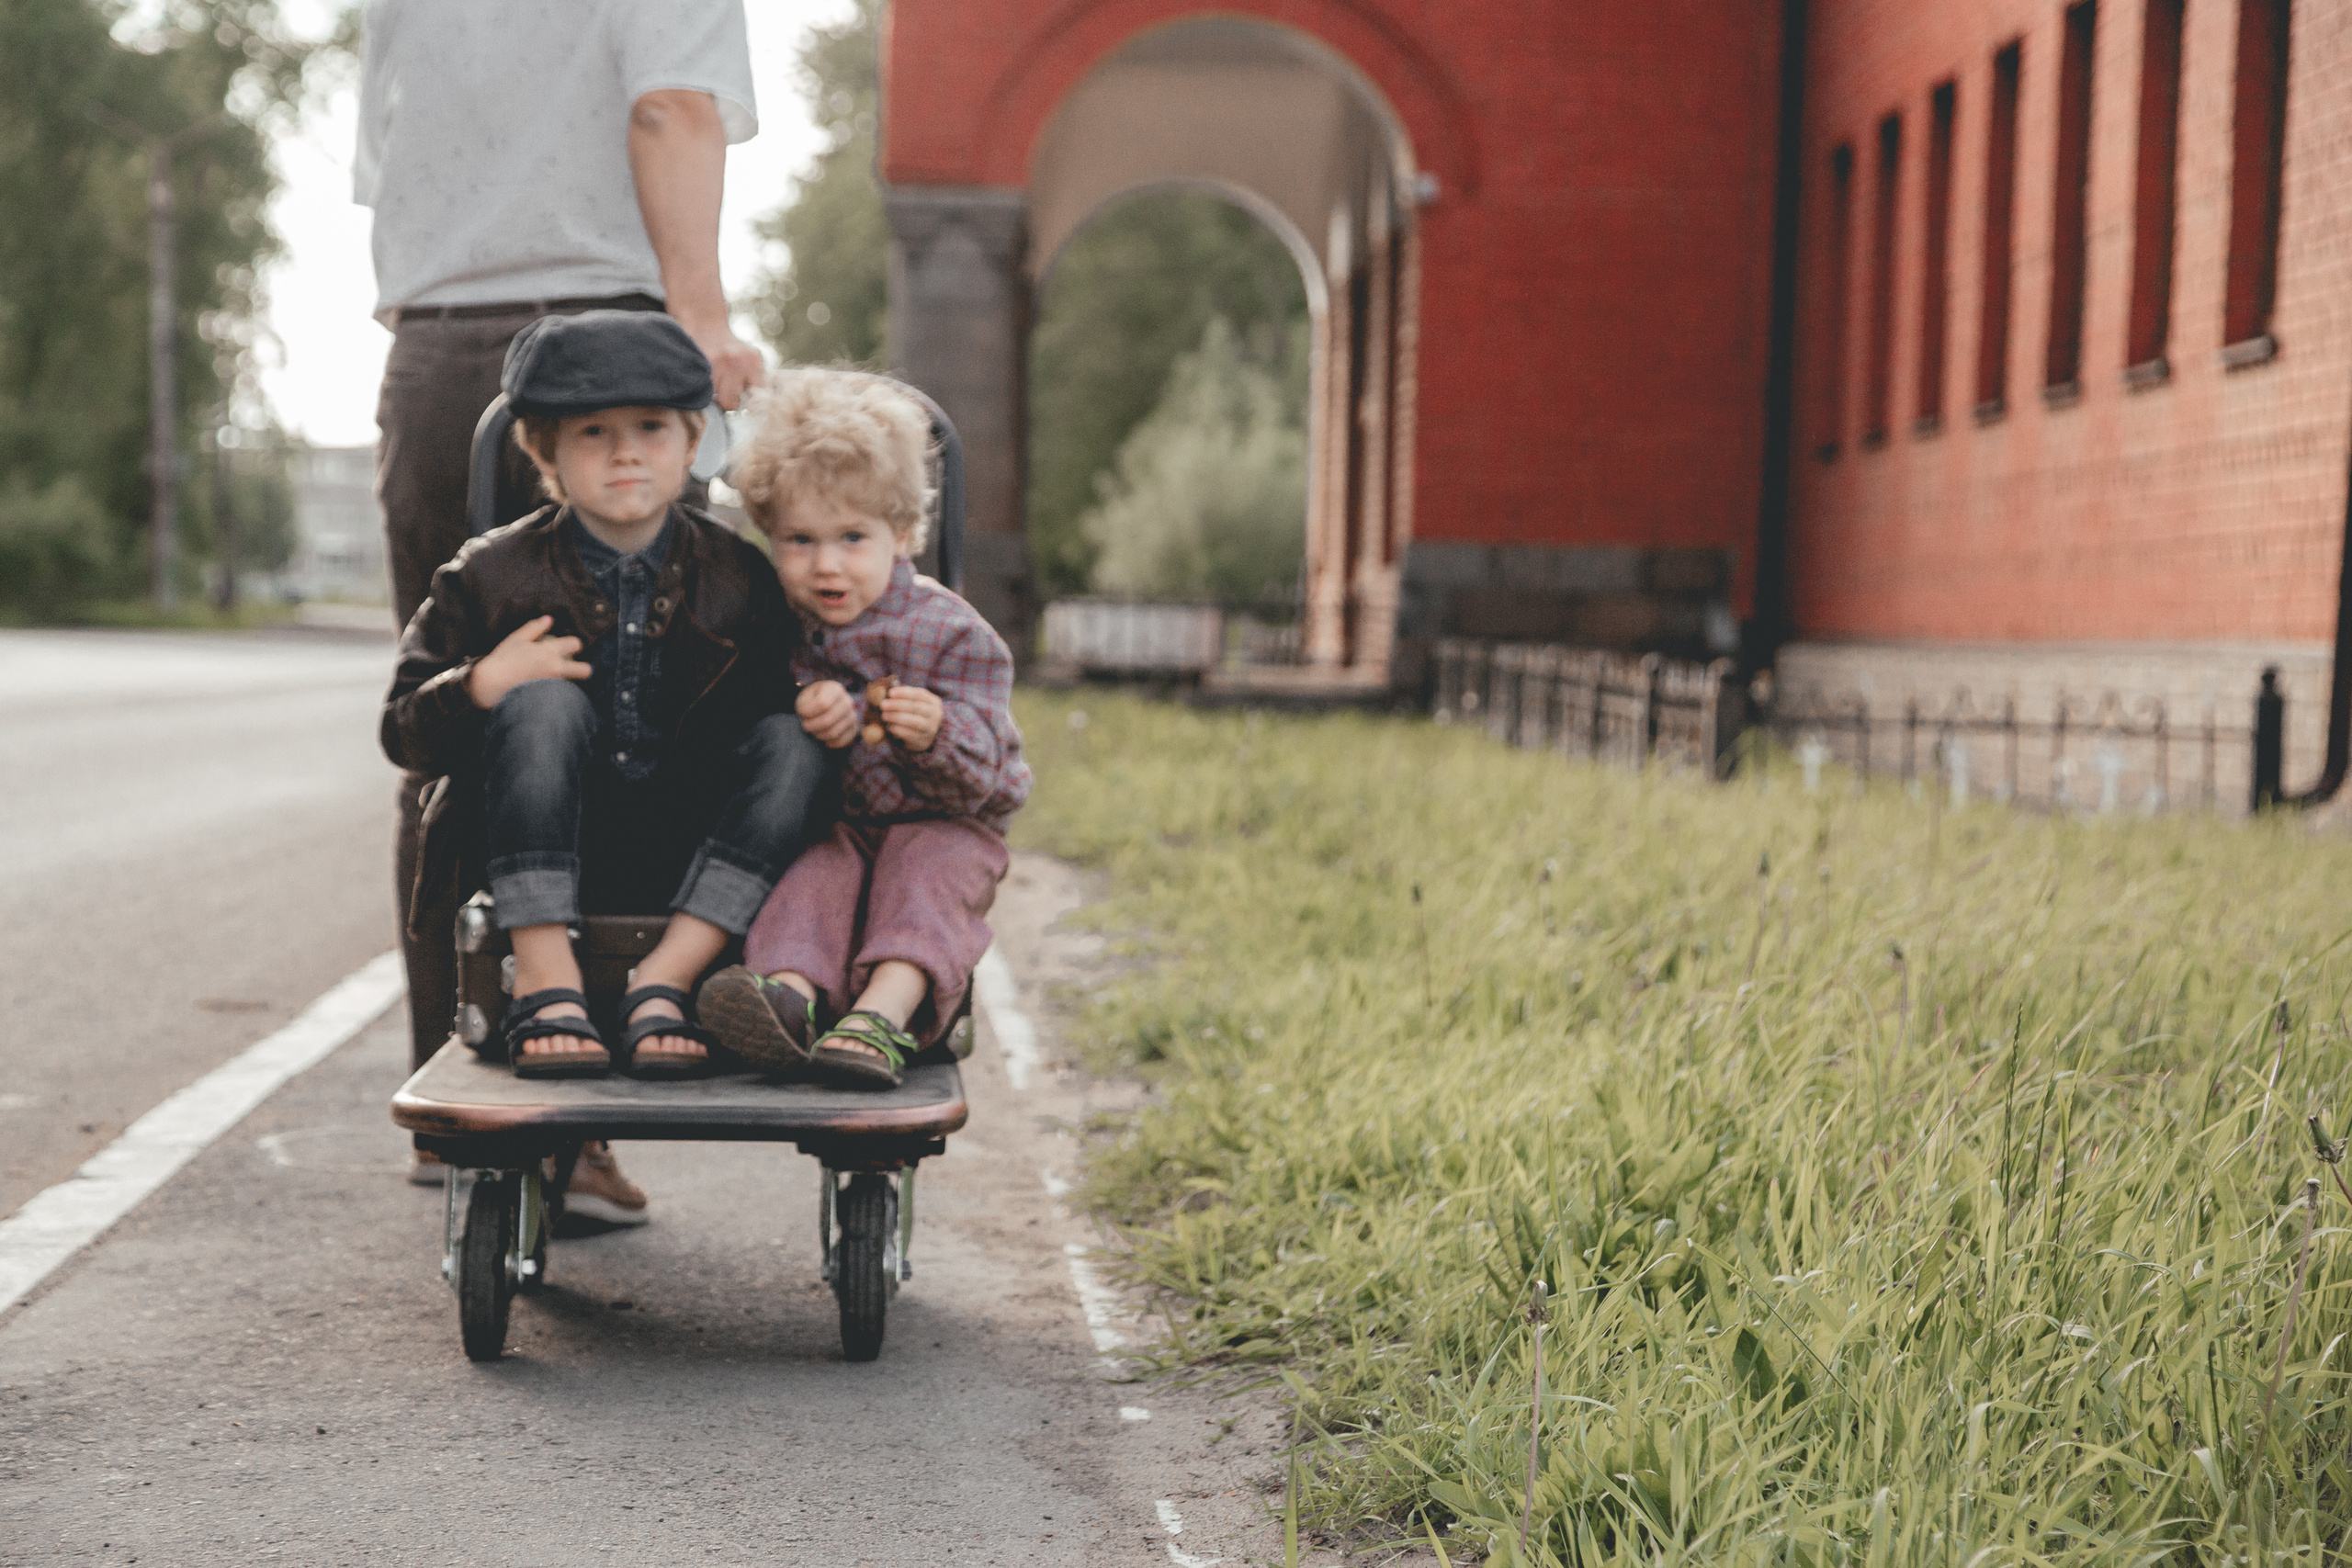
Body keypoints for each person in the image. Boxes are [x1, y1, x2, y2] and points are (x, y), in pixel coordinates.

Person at [356, 0, 765, 1201]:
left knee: (461, 716)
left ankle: (462, 1092)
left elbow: (390, 159)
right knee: (639, 707)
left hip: (435, 354)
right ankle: (581, 1095)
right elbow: (670, 108)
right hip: (609, 346)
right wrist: (698, 310)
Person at [382, 313, 833, 1096]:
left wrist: (823, 705)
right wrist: (482, 681)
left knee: (797, 737)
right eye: (594, 431)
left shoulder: (739, 574)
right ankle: (545, 971)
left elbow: (772, 717)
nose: (627, 451)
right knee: (540, 699)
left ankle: (669, 975)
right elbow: (401, 730)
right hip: (546, 839)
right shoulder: (489, 573)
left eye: (652, 427)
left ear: (692, 444)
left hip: (691, 848)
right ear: (545, 450)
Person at [695, 370, 1031, 1089]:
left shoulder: (950, 631)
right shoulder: (780, 631)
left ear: (902, 533)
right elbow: (750, 736)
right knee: (810, 878)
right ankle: (787, 1000)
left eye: (853, 537)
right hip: (839, 825)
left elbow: (998, 782)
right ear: (769, 537)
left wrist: (937, 730)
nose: (827, 565)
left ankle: (883, 1014)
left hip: (943, 822)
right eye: (799, 540)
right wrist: (799, 711)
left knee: (927, 881)